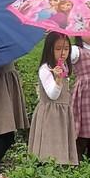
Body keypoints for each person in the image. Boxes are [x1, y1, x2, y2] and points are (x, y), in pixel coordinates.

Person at [27, 32, 79, 165]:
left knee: (60, 144)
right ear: (49, 49)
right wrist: (58, 78)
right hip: (49, 114)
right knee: (48, 146)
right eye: (58, 49)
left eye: (66, 49)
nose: (63, 53)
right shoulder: (46, 69)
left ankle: (59, 175)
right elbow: (52, 95)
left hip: (62, 113)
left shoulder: (64, 67)